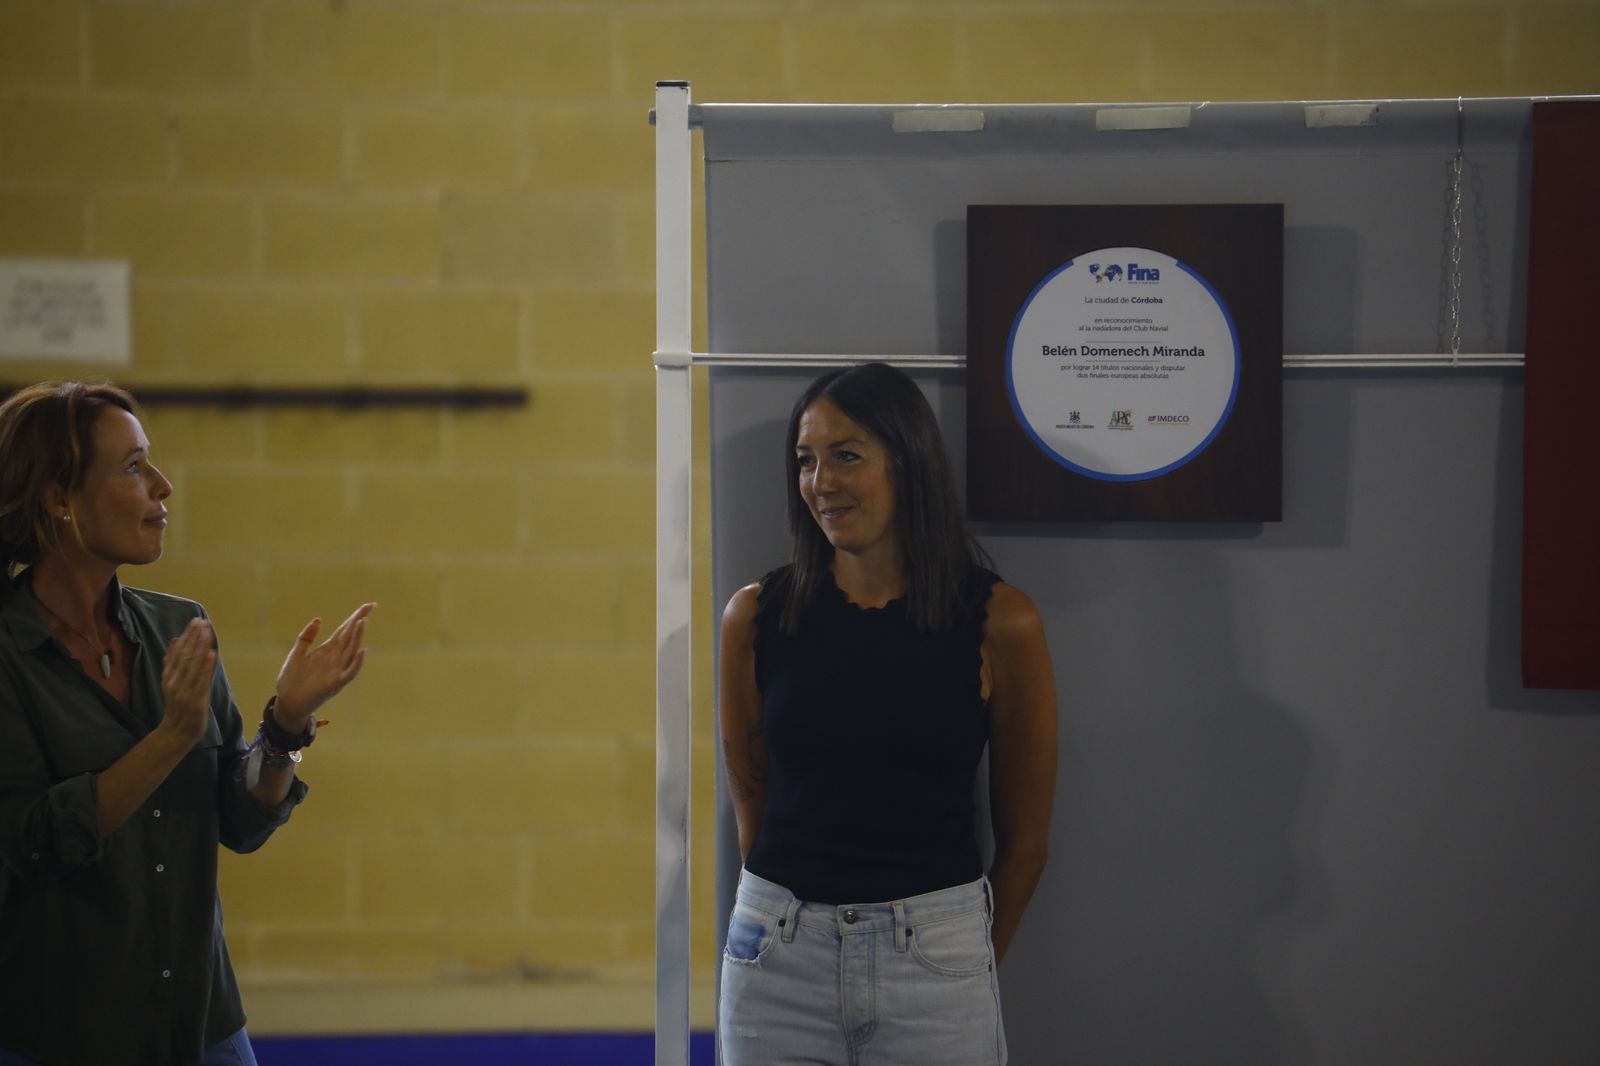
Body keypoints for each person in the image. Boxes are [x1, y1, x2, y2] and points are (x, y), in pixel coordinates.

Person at [0, 382, 373, 1066]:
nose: (164, 487)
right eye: (135, 468)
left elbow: (239, 815)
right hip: (63, 1037)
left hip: (203, 1028)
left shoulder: (179, 625)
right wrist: (169, 738)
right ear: (58, 498)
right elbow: (28, 843)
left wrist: (286, 722)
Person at [717, 363, 1058, 1065]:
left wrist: (957, 962)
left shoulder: (1002, 621)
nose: (821, 482)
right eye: (806, 461)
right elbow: (753, 811)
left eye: (846, 456)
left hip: (934, 964)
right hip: (776, 960)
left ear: (909, 462)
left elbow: (1026, 845)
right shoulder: (754, 616)